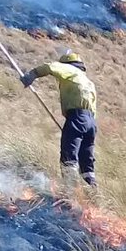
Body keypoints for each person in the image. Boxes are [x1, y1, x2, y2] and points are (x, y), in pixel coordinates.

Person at [21, 51, 97, 187]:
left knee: (69, 157)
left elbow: (51, 67)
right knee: (87, 163)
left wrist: (32, 75)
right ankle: (92, 192)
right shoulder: (88, 82)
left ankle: (71, 193)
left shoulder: (70, 69)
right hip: (91, 123)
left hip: (77, 117)